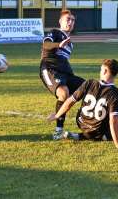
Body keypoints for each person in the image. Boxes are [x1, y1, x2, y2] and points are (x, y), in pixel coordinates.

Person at [47, 59, 118, 149]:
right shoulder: (117, 93)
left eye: (101, 69)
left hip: (81, 123)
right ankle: (96, 136)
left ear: (105, 71)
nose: (100, 72)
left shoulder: (89, 83)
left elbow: (70, 101)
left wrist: (57, 115)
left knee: (113, 126)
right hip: (98, 129)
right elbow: (113, 121)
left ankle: (80, 136)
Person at [40, 10, 85, 140]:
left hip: (64, 73)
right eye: (67, 19)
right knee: (63, 93)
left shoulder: (70, 43)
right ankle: (58, 131)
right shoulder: (55, 33)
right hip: (49, 69)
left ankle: (90, 120)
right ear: (60, 21)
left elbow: (63, 61)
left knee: (88, 87)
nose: (70, 22)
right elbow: (46, 44)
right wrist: (58, 44)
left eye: (72, 20)